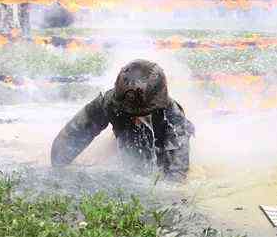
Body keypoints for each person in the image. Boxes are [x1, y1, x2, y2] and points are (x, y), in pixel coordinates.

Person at [51, 59, 195, 181]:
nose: (137, 119)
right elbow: (71, 136)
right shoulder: (109, 103)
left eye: (144, 114)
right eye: (130, 113)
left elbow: (177, 174)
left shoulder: (173, 118)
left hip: (161, 147)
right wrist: (58, 169)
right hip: (125, 140)